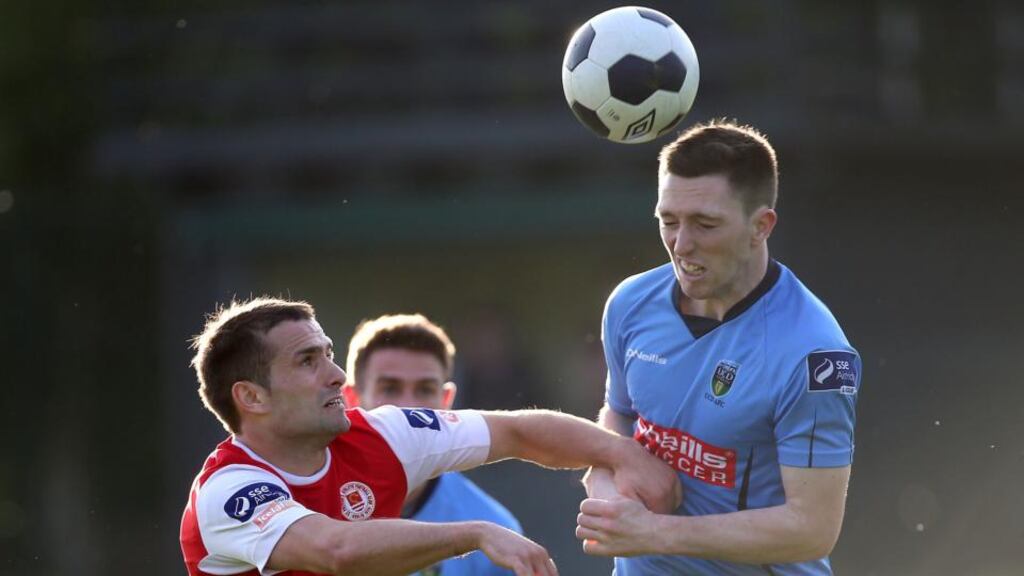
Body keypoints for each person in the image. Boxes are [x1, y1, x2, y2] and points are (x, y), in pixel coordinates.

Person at [179, 297, 679, 576]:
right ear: (252, 398)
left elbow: (518, 431)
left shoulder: (383, 435)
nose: (333, 374)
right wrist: (475, 532)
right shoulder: (230, 491)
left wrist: (621, 452)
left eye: (329, 354)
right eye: (308, 361)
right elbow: (337, 550)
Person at [577, 120, 862, 575]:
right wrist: (610, 493)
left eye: (705, 224)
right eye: (668, 221)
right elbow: (619, 419)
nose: (681, 244)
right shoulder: (630, 303)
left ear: (760, 227)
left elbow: (812, 527)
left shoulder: (814, 355)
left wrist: (654, 533)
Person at [341, 312, 523, 576]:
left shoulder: (496, 534)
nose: (408, 408)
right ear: (352, 398)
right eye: (390, 388)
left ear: (446, 400)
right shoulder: (305, 500)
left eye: (425, 390)